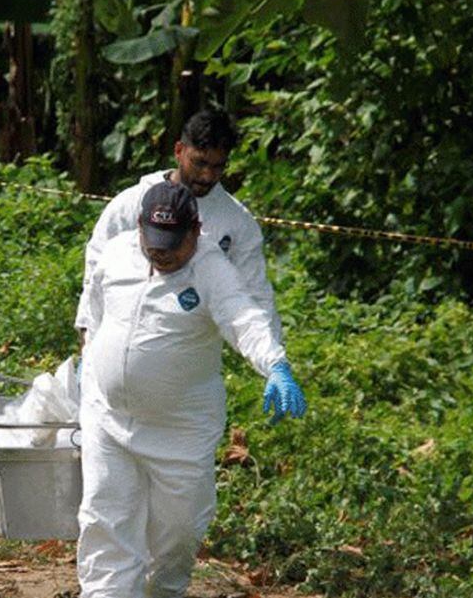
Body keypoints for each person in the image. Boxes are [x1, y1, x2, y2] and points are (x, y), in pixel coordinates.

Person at [77, 182, 307, 598]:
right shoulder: (116, 253)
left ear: (196, 230)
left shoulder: (212, 268)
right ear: (140, 227)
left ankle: (164, 591)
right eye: (153, 241)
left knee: (178, 531)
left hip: (180, 430)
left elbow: (243, 317)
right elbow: (93, 308)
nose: (161, 253)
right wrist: (90, 355)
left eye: (172, 244)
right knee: (104, 520)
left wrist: (275, 363)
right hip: (107, 418)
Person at [76, 110, 283, 344]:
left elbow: (256, 293)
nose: (207, 175)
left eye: (217, 166)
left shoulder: (236, 222)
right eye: (199, 162)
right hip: (121, 336)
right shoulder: (133, 203)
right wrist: (88, 335)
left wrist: (274, 360)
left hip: (189, 349)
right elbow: (96, 267)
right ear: (179, 151)